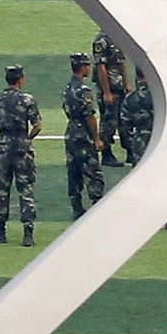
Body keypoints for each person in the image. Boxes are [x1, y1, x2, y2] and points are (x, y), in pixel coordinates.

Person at [119, 67, 167, 230]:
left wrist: (130, 143)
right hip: (159, 141)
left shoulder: (131, 98)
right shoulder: (161, 96)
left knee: (140, 181)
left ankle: (138, 218)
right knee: (165, 179)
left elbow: (124, 123)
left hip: (140, 141)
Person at [0, 64, 42, 247]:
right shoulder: (27, 100)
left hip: (2, 147)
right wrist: (27, 139)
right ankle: (28, 234)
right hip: (21, 147)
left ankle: (0, 232)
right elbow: (37, 125)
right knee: (25, 190)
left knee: (1, 190)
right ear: (20, 79)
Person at [63, 52, 106, 219]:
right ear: (83, 67)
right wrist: (96, 138)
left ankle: (77, 207)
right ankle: (97, 206)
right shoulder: (83, 90)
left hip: (71, 131)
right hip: (83, 134)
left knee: (73, 171)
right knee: (92, 170)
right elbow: (90, 116)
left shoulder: (68, 88)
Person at [91, 30, 130, 167]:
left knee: (124, 120)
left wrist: (127, 83)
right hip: (109, 88)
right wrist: (106, 92)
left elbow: (122, 62)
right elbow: (101, 67)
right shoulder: (101, 41)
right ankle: (106, 154)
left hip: (119, 87)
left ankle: (130, 151)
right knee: (109, 121)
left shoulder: (117, 37)